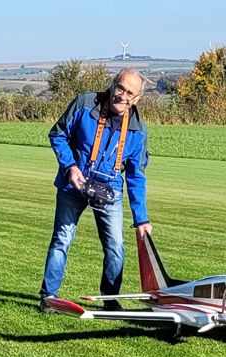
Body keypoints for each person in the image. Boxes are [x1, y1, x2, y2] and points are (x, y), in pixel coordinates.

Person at [40, 69, 153, 310]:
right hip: (74, 185)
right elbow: (57, 135)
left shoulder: (138, 130)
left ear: (137, 99)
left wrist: (141, 219)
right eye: (120, 88)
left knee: (116, 248)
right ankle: (49, 298)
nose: (123, 96)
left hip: (110, 191)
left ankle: (110, 302)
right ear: (112, 85)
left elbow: (136, 176)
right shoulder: (85, 103)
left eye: (130, 93)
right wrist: (70, 167)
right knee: (61, 240)